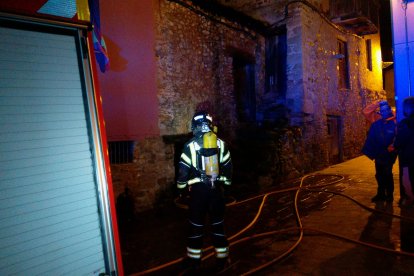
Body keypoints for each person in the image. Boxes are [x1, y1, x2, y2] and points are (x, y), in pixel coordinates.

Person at [177, 111, 232, 273]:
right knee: (218, 227)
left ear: (194, 126)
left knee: (195, 228)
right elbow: (228, 169)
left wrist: (182, 192)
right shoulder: (222, 144)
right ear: (210, 125)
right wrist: (226, 189)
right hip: (217, 193)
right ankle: (222, 260)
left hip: (198, 194)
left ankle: (194, 262)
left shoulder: (190, 146)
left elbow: (182, 174)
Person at [362, 100, 397, 202]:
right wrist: (378, 103)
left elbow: (398, 134)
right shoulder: (377, 118)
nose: (384, 112)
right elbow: (366, 111)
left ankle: (389, 195)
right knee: (379, 174)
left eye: (386, 109)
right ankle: (380, 194)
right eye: (382, 110)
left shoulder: (395, 119)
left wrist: (393, 146)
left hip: (389, 152)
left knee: (387, 173)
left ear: (390, 110)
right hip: (379, 152)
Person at [394, 96, 414, 206]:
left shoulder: (405, 123)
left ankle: (410, 199)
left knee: (409, 180)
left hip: (409, 159)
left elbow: (399, 142)